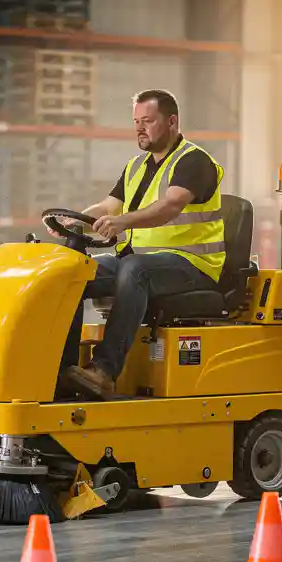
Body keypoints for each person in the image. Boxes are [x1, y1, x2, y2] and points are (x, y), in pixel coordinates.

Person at [54, 88, 227, 399]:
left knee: (134, 270)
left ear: (172, 121)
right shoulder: (136, 166)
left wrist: (123, 222)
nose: (139, 128)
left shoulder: (194, 161)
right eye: (136, 121)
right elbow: (109, 206)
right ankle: (63, 369)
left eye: (147, 120)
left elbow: (170, 206)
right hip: (141, 260)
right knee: (71, 272)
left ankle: (104, 372)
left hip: (192, 264)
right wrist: (76, 220)